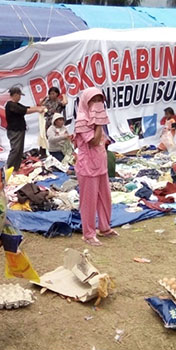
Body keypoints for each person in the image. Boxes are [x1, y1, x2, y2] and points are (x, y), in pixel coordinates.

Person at [74, 88, 117, 246]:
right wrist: (98, 122)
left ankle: (105, 227)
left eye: (100, 100)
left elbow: (103, 142)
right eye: (94, 100)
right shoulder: (82, 119)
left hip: (100, 164)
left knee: (105, 197)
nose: (97, 104)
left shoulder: (98, 120)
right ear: (86, 101)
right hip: (87, 167)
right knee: (89, 202)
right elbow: (93, 141)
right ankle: (88, 234)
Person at [5, 86, 45, 171]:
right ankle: (8, 168)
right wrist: (37, 110)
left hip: (20, 129)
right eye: (19, 95)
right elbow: (24, 111)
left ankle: (15, 168)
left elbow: (27, 108)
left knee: (19, 150)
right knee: (15, 150)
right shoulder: (10, 105)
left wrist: (38, 107)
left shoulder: (16, 104)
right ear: (15, 95)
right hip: (14, 130)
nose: (20, 97)